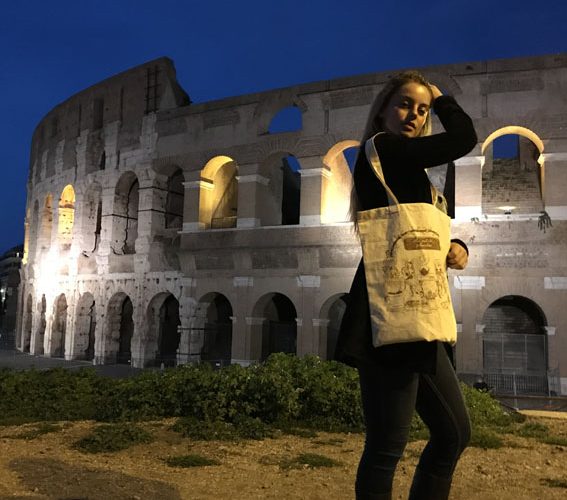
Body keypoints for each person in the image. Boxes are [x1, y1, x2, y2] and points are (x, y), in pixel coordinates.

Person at [335, 71, 477, 500]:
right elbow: (462, 140)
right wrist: (442, 99)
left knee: (454, 434)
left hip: (421, 317)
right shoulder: (382, 149)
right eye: (404, 104)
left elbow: (421, 232)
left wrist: (456, 245)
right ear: (382, 109)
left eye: (422, 109)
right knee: (386, 449)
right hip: (388, 315)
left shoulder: (408, 168)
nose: (414, 114)